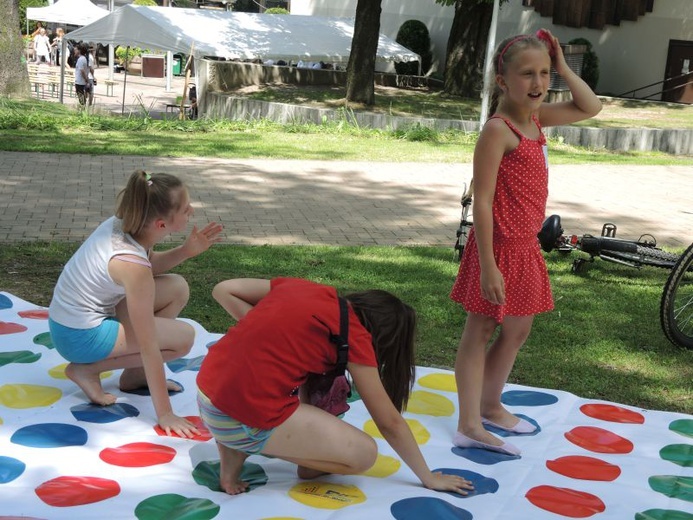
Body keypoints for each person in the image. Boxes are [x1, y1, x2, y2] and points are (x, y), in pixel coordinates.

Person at [450, 29, 602, 455]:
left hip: (526, 247)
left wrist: (565, 67)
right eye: (526, 74)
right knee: (479, 329)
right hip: (496, 248)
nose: (538, 84)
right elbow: (481, 203)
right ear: (502, 81)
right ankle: (467, 424)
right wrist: (489, 266)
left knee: (517, 328)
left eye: (544, 73)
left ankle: (490, 405)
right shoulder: (499, 130)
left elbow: (591, 106)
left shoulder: (535, 118)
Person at [197, 277, 475, 496]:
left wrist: (267, 331)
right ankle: (264, 451)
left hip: (208, 394)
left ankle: (232, 461)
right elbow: (389, 421)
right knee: (364, 455)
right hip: (240, 417)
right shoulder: (355, 336)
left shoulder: (306, 289)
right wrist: (428, 477)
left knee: (271, 391)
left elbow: (225, 289)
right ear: (381, 337)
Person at [48, 170, 224, 438]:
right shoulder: (132, 266)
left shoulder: (127, 225)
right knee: (184, 338)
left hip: (71, 323)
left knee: (177, 287)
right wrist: (165, 413)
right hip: (78, 337)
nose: (192, 210)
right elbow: (149, 344)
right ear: (161, 224)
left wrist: (186, 252)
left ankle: (134, 377)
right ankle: (86, 369)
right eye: (185, 208)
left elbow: (147, 265)